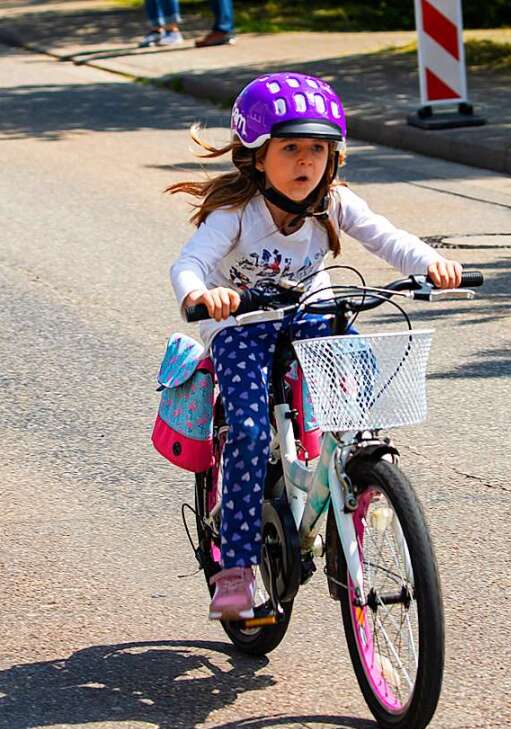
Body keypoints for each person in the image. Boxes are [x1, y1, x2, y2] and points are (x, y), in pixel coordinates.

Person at [167, 73, 464, 620]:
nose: (306, 161)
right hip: (242, 327)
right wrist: (203, 295)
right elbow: (189, 263)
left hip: (308, 314)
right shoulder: (238, 212)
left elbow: (387, 237)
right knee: (252, 434)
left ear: (335, 156)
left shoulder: (335, 202)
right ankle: (234, 567)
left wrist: (429, 263)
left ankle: (359, 474)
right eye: (291, 148)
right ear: (257, 156)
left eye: (318, 149)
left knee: (358, 372)